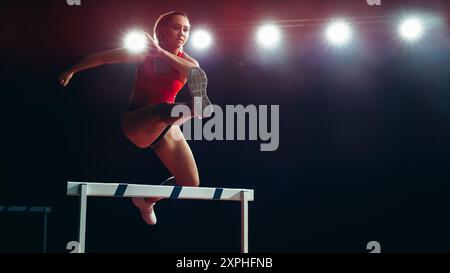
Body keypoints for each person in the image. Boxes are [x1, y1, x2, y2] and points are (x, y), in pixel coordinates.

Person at [59, 11, 212, 225]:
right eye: (176, 27)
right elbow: (104, 57)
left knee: (190, 183)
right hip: (136, 121)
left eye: (186, 29)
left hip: (165, 127)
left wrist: (161, 53)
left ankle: (145, 201)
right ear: (162, 30)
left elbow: (195, 72)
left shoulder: (188, 63)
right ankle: (187, 112)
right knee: (165, 109)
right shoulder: (143, 54)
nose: (182, 34)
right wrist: (72, 70)